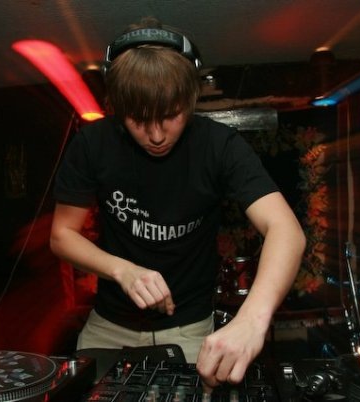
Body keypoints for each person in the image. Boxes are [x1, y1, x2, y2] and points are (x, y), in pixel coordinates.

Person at [50, 17, 306, 391]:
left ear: (190, 100)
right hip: (107, 326)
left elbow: (286, 231)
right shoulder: (92, 144)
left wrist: (252, 320)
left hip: (190, 329)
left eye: (170, 115)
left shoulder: (220, 146)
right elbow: (62, 235)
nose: (156, 135)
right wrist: (123, 270)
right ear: (118, 107)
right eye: (139, 119)